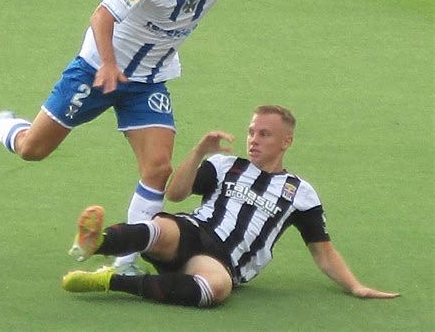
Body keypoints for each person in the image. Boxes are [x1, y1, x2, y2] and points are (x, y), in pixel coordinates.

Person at [0, 0, 344, 273]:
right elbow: (102, 16)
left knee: (158, 168)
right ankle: (2, 125)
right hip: (97, 71)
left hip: (147, 83)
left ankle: (124, 262)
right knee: (33, 149)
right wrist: (110, 64)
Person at [62, 105, 400, 307]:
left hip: (222, 262)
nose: (253, 139)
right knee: (158, 227)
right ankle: (96, 243)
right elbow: (177, 194)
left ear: (287, 141)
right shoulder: (226, 166)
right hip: (192, 231)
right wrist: (199, 152)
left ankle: (111, 282)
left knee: (217, 290)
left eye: (264, 134)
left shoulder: (301, 192)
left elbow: (322, 251)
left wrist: (355, 286)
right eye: (252, 131)